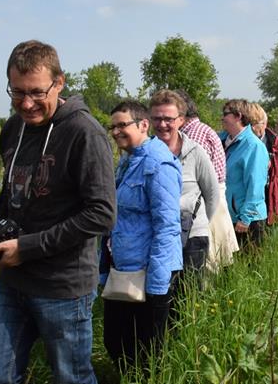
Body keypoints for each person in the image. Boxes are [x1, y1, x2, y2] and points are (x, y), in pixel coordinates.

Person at [0, 40, 116, 384]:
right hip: (14, 282)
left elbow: (101, 214)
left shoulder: (85, 133)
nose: (26, 103)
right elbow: (12, 194)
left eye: (36, 92)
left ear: (58, 83)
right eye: (17, 91)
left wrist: (26, 248)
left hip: (64, 285)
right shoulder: (13, 129)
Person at [102, 100, 182, 369]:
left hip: (148, 275)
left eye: (122, 125)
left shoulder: (157, 163)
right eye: (113, 126)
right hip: (123, 270)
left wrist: (157, 286)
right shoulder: (128, 161)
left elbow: (167, 226)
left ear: (143, 124)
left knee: (145, 351)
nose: (115, 132)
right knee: (116, 343)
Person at [149, 90, 219, 288]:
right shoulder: (144, 153)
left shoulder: (195, 152)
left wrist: (198, 223)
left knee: (189, 294)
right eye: (157, 118)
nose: (162, 124)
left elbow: (212, 194)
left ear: (181, 120)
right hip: (156, 236)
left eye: (168, 119)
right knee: (160, 295)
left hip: (192, 239)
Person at [177, 91, 238, 271]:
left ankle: (204, 295)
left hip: (205, 199)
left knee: (209, 258)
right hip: (212, 197)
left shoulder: (192, 136)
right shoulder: (201, 129)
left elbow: (197, 178)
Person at [219, 99, 269, 248]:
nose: (222, 118)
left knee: (249, 268)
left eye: (225, 114)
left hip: (247, 220)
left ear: (238, 116)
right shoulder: (223, 140)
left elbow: (256, 185)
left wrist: (246, 218)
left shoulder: (253, 146)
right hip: (230, 216)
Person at [250, 103, 278, 227]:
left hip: (271, 195)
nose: (251, 128)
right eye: (249, 124)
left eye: (255, 124)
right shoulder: (243, 143)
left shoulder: (277, 145)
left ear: (264, 124)